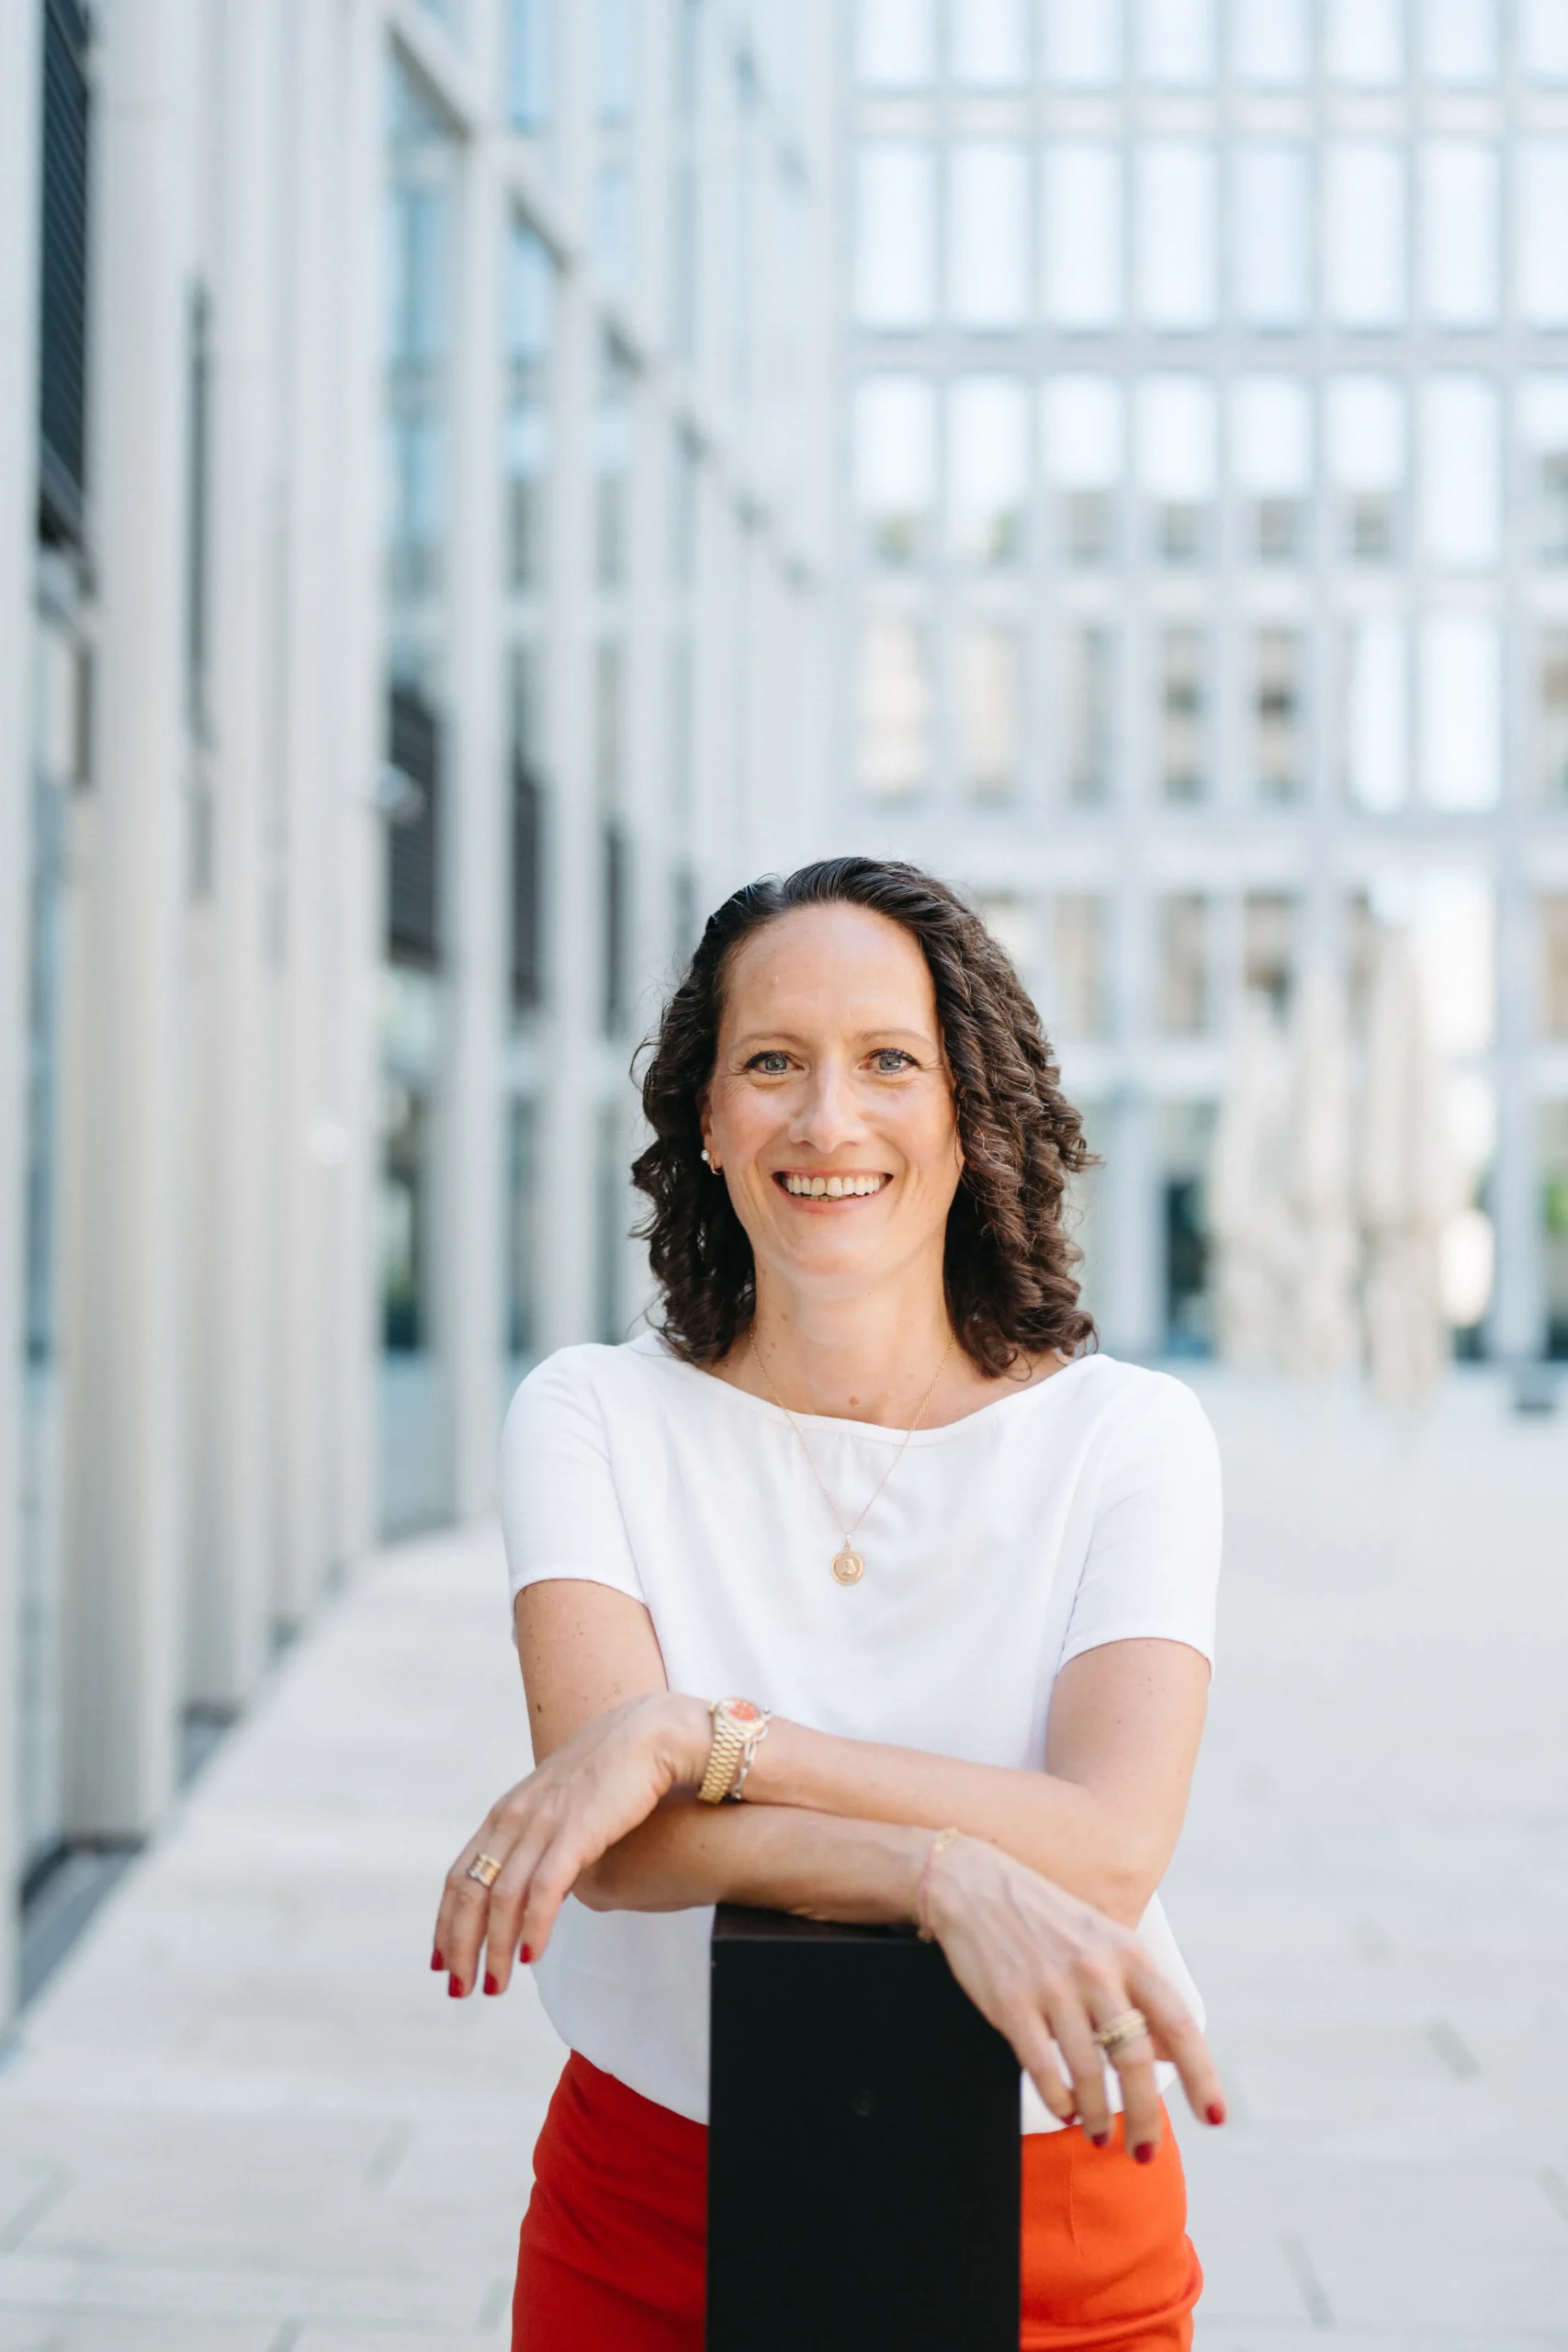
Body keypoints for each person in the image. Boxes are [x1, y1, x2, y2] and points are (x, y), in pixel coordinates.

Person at [432, 857, 1227, 2352]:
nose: (826, 1120)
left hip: (1049, 2206)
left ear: (965, 1109)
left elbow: (1107, 1849)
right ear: (707, 1120)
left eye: (887, 1063)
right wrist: (943, 1871)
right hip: (655, 2207)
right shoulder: (591, 1413)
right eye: (771, 1064)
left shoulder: (1128, 1439)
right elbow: (624, 1848)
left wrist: (695, 1738)